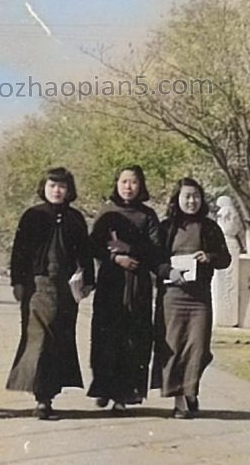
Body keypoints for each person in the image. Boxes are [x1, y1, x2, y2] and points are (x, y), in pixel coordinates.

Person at [6, 167, 94, 420]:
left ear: (69, 190)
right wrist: (17, 283)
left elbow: (85, 254)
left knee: (59, 342)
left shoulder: (75, 218)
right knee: (39, 341)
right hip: (37, 287)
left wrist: (88, 280)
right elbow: (19, 252)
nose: (56, 191)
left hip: (66, 289)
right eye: (52, 185)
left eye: (61, 186)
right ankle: (40, 398)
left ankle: (49, 396)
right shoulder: (32, 216)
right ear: (44, 188)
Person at [152, 177, 231, 418]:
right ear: (177, 199)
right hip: (172, 297)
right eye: (186, 196)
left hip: (199, 299)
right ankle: (180, 400)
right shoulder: (166, 228)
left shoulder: (210, 228)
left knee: (199, 348)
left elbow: (225, 259)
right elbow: (155, 260)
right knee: (174, 347)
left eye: (195, 196)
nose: (191, 201)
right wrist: (169, 272)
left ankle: (190, 389)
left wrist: (209, 257)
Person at [88, 164, 162, 413]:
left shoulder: (148, 216)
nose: (128, 187)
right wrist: (114, 258)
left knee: (133, 339)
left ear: (140, 185)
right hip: (111, 282)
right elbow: (94, 247)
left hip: (137, 283)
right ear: (116, 184)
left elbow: (155, 249)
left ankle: (123, 394)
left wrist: (129, 249)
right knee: (106, 337)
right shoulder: (106, 213)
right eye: (123, 182)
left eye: (133, 182)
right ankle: (103, 388)